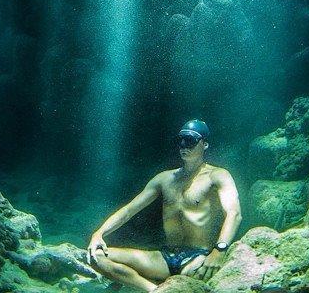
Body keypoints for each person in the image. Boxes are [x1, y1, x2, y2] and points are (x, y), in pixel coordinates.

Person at [86, 119, 242, 291]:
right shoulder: (164, 179)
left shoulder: (218, 175)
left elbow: (234, 213)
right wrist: (99, 233)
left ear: (204, 144)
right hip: (165, 257)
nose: (184, 145)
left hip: (199, 257)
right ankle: (153, 289)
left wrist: (219, 251)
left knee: (191, 282)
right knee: (96, 256)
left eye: (190, 140)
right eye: (180, 140)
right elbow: (130, 210)